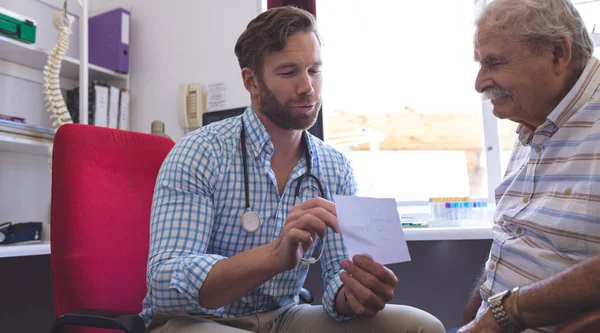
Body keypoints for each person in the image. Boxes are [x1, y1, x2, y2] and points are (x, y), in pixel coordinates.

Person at [141, 6, 444, 333]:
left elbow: (334, 282)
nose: (308, 87)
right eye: (289, 72)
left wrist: (353, 293)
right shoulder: (200, 152)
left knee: (419, 327)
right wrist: (274, 256)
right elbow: (164, 286)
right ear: (251, 81)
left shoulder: (335, 167)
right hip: (199, 321)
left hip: (284, 318)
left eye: (314, 70)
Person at [458, 0, 600, 332]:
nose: (480, 83)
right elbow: (514, 237)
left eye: (493, 62)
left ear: (557, 53)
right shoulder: (535, 120)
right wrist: (476, 313)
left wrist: (504, 312)